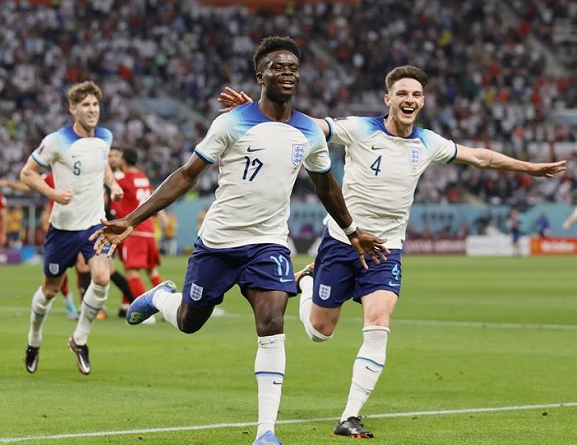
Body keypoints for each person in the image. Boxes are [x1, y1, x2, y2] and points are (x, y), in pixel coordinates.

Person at [219, 64, 567, 439]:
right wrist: (258, 112)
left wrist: (529, 168)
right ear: (388, 99)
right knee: (320, 332)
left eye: (416, 94)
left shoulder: (428, 143)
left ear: (423, 101)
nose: (409, 99)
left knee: (379, 323)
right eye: (402, 93)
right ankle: (306, 284)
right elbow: (309, 125)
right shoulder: (360, 129)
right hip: (342, 243)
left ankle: (349, 416)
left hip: (386, 250)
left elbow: (480, 157)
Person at [90, 36, 385, 445]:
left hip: (269, 243)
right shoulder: (231, 123)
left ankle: (266, 431)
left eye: (293, 68)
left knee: (272, 322)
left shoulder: (308, 131)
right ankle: (161, 298)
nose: (287, 73)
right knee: (190, 322)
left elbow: (327, 187)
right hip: (219, 243)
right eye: (278, 67)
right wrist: (131, 219)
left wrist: (352, 232)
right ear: (260, 75)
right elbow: (186, 175)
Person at [20, 80, 124, 376]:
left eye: (95, 104)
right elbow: (27, 173)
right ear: (72, 109)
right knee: (50, 290)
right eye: (86, 105)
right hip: (63, 229)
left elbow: (103, 165)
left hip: (94, 224)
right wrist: (53, 194)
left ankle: (79, 340)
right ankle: (34, 340)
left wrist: (113, 184)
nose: (92, 110)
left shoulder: (105, 137)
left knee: (102, 277)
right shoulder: (57, 141)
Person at [108, 147, 164, 319]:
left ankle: (146, 313)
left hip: (134, 231)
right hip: (148, 230)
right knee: (152, 272)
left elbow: (115, 200)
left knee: (132, 272)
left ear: (123, 161)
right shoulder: (143, 177)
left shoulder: (123, 180)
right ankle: (169, 306)